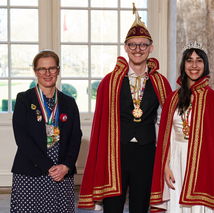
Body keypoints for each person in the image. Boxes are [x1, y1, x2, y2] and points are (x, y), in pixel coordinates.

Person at [78, 5, 172, 213]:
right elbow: (101, 125)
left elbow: (168, 120)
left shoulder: (160, 82)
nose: (138, 49)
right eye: (133, 45)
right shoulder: (109, 82)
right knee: (113, 207)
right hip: (116, 153)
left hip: (147, 152)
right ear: (125, 47)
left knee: (140, 207)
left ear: (151, 48)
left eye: (143, 45)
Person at [150, 42, 214, 213]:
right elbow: (166, 136)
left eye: (199, 61)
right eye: (189, 61)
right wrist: (165, 165)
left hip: (203, 163)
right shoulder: (173, 98)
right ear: (183, 65)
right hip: (176, 160)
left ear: (205, 65)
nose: (194, 65)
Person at [10, 50, 82, 213]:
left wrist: (66, 166)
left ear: (58, 70)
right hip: (30, 172)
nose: (47, 73)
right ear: (36, 72)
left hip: (61, 173)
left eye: (52, 68)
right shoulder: (24, 99)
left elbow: (75, 138)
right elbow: (22, 138)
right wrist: (49, 167)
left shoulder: (69, 102)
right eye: (42, 69)